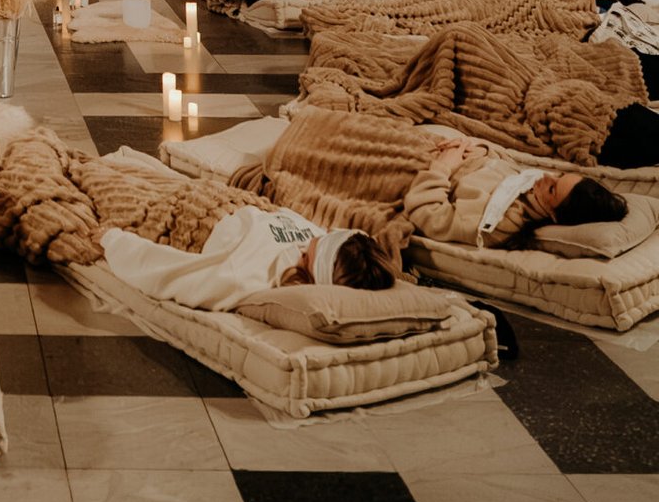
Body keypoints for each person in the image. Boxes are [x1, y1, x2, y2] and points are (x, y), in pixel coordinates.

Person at [100, 204, 396, 311]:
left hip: (195, 214)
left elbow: (173, 274)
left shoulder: (249, 274)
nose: (330, 230)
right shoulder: (323, 243)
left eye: (331, 236)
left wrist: (112, 240)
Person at [401, 136, 630, 247]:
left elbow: (430, 217)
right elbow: (502, 160)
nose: (546, 177)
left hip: (414, 169)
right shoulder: (528, 186)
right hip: (434, 146)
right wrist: (479, 151)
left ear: (553, 215)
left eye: (552, 188)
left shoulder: (502, 223)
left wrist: (442, 167)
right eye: (558, 176)